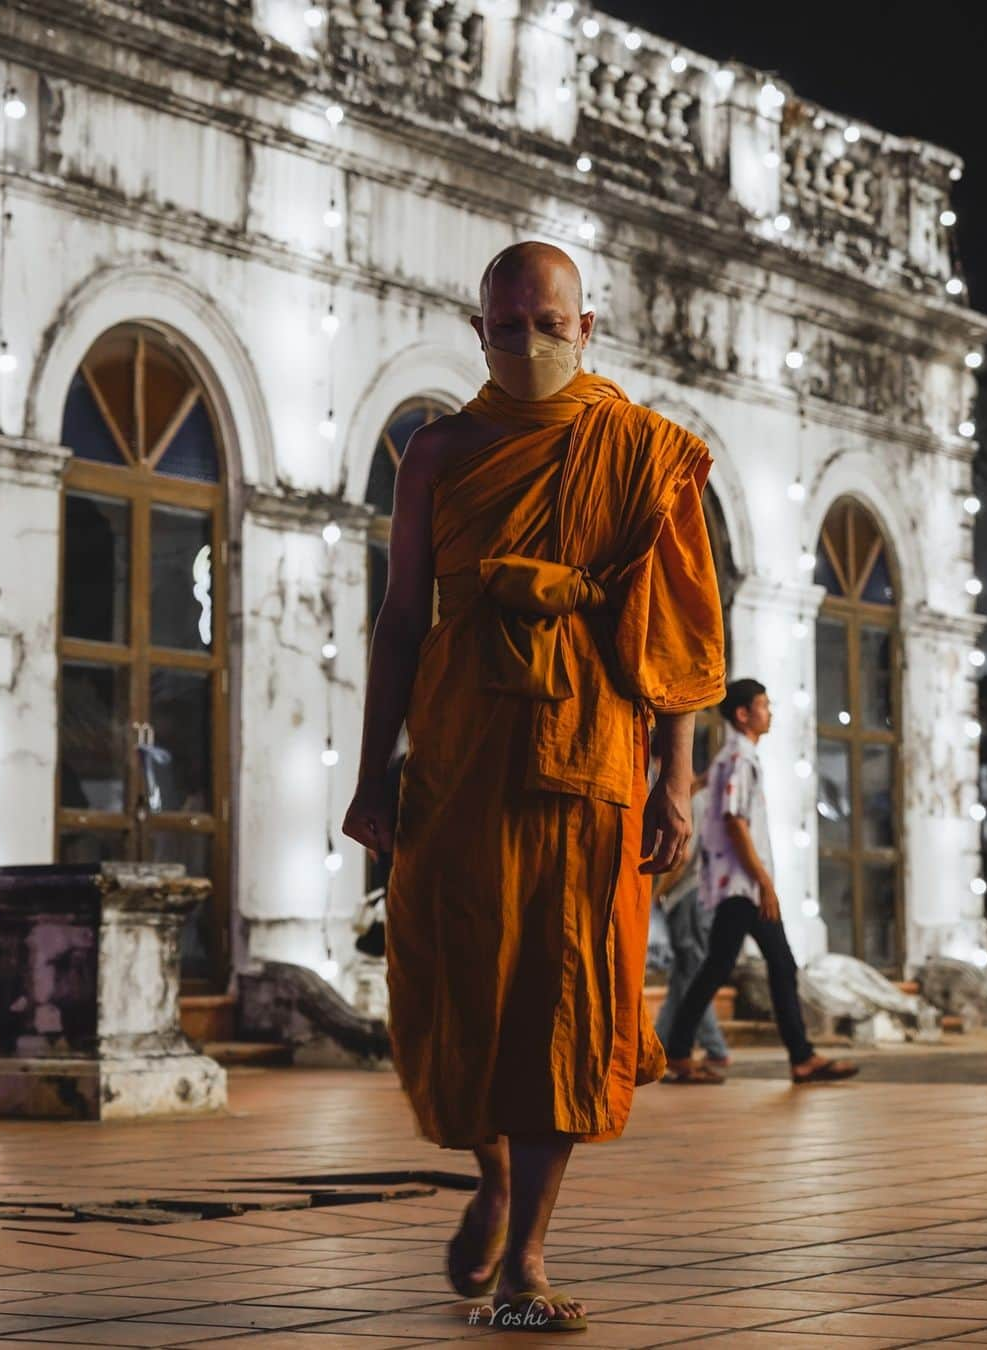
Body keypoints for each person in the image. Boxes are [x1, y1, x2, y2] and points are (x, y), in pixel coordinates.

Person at [342, 241, 725, 1332]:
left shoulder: (643, 451)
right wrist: (374, 774)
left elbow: (676, 635)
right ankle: (494, 1180)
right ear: (479, 332)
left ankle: (531, 1260)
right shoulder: (438, 451)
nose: (527, 344)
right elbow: (402, 617)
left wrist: (675, 782)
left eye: (547, 325)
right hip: (459, 755)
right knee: (451, 986)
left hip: (592, 758)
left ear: (586, 329)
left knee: (566, 999)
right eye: (506, 326)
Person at [664, 678, 859, 1087]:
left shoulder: (728, 758)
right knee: (754, 966)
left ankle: (686, 1052)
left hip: (736, 883)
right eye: (764, 705)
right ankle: (685, 1053)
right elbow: (735, 823)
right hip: (741, 885)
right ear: (743, 714)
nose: (769, 713)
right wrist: (764, 882)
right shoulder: (740, 758)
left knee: (742, 966)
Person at [653, 773, 731, 1080]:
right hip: (699, 895)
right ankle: (659, 1045)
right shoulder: (706, 801)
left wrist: (658, 892)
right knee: (682, 975)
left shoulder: (691, 803)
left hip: (688, 896)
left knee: (692, 972)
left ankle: (716, 1048)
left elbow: (682, 857)